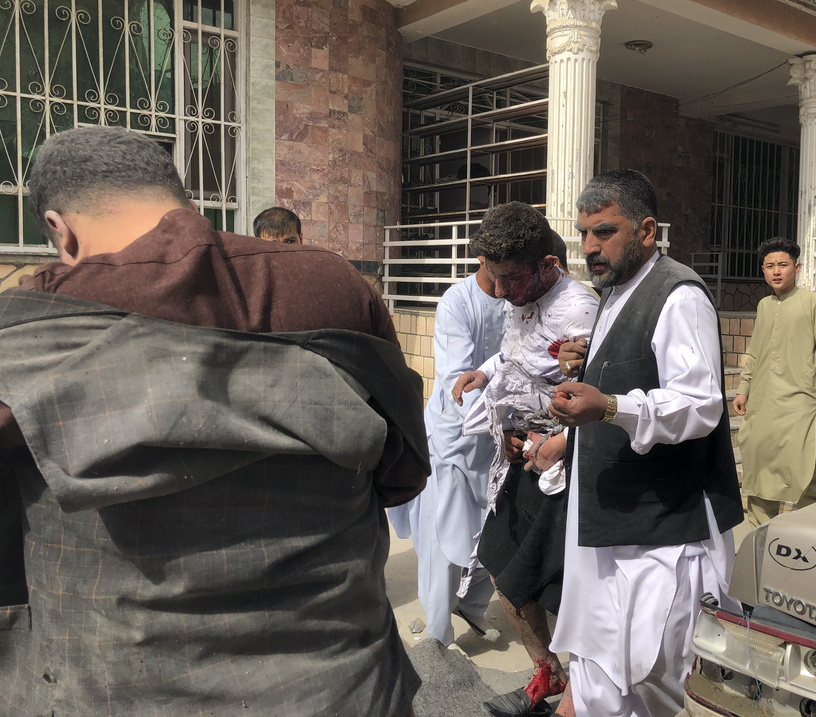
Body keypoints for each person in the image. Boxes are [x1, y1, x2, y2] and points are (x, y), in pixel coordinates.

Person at [0, 126, 427, 716]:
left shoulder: (29, 326)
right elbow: (402, 475)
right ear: (177, 194)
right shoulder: (332, 283)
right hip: (341, 684)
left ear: (59, 229)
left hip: (115, 689)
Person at [540, 169, 744, 717]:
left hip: (664, 537)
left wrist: (608, 406)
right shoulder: (612, 292)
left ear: (647, 231)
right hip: (609, 527)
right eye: (584, 233)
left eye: (605, 232)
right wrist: (582, 385)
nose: (590, 246)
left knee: (655, 680)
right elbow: (632, 372)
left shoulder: (679, 295)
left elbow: (699, 404)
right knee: (601, 674)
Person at [451, 202, 599, 717]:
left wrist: (559, 443)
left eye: (509, 278)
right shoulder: (519, 297)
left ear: (547, 265)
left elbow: (598, 392)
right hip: (521, 458)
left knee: (566, 587)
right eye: (492, 276)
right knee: (500, 562)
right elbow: (516, 354)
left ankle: (584, 692)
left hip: (565, 468)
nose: (498, 290)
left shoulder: (580, 310)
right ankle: (546, 669)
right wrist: (486, 375)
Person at [388, 257, 505, 645]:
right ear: (484, 258)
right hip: (453, 440)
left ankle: (471, 607)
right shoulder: (457, 302)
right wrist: (502, 420)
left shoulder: (519, 299)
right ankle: (438, 637)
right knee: (444, 539)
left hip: (497, 442)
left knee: (492, 531)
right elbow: (458, 381)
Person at [732, 236, 816, 526]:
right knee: (759, 469)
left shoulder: (813, 303)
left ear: (797, 267)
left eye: (783, 265)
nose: (776, 271)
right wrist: (743, 390)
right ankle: (761, 534)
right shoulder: (764, 306)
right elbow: (756, 352)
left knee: (803, 472)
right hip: (762, 403)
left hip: (798, 404)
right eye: (770, 266)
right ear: (763, 270)